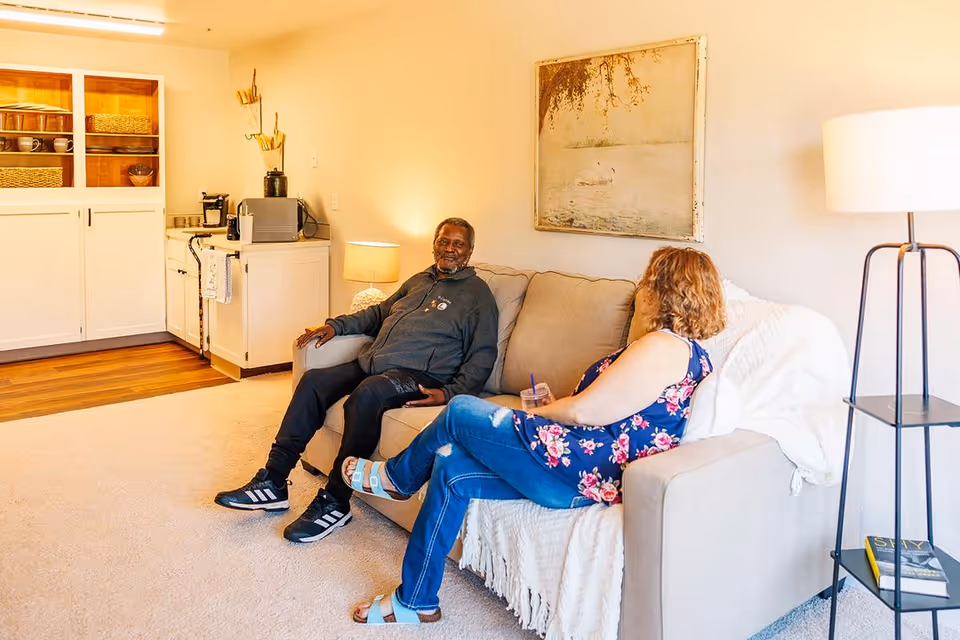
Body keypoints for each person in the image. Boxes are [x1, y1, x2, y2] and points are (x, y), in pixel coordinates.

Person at [339, 246, 726, 625]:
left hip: (577, 470)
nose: (641, 287)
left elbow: (584, 412)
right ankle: (416, 600)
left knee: (460, 410)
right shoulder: (685, 352)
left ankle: (398, 477)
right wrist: (555, 408)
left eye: (648, 280)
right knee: (450, 466)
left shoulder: (662, 346)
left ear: (664, 289)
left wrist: (535, 414)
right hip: (574, 468)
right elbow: (612, 412)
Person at [214, 218, 499, 544]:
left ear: (469, 251)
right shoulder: (421, 279)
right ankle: (273, 480)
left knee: (367, 395)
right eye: (443, 241)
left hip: (418, 376)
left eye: (458, 244)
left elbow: (483, 355)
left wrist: (448, 393)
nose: (449, 249)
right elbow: (379, 313)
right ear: (434, 244)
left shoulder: (478, 295)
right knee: (313, 382)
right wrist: (335, 326)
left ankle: (336, 500)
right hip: (374, 361)